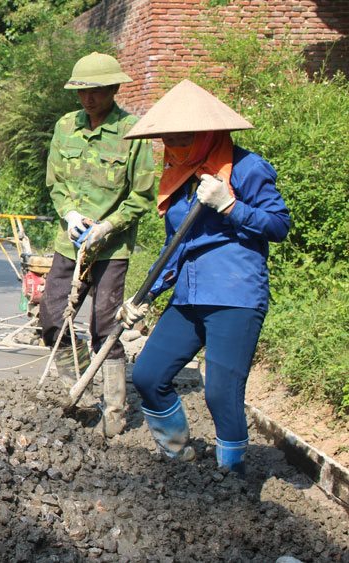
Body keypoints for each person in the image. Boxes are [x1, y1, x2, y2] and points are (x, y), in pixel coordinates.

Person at [118, 79, 290, 476]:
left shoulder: (246, 168)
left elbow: (279, 225)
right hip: (189, 295)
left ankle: (232, 478)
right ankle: (180, 457)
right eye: (168, 139)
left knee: (220, 393)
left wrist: (230, 205)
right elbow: (174, 246)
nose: (175, 146)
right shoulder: (178, 178)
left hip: (235, 295)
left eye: (183, 138)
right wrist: (144, 296)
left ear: (207, 133)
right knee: (147, 375)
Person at [40, 52, 157, 437]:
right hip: (70, 243)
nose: (88, 99)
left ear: (114, 89)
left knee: (105, 326)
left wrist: (109, 225)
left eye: (97, 91)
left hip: (111, 248)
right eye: (82, 92)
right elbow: (55, 182)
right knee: (52, 317)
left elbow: (141, 196)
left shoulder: (132, 132)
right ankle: (79, 392)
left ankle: (115, 412)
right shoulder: (65, 127)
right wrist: (70, 215)